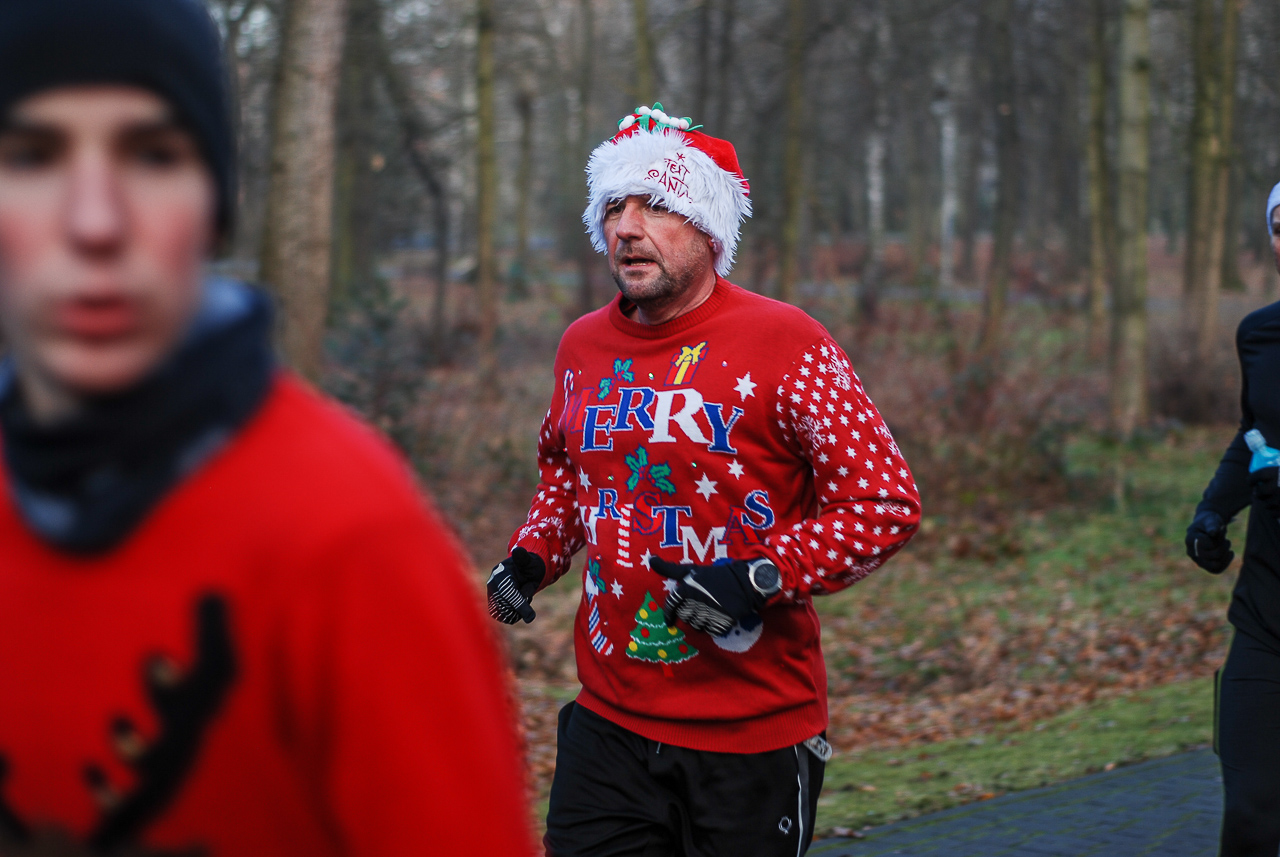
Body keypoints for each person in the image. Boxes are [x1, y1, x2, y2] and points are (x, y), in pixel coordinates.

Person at [0, 1, 534, 855]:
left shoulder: (355, 540)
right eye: (32, 155)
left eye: (151, 155)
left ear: (214, 198)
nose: (93, 221)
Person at [487, 104, 922, 857]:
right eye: (614, 207)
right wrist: (531, 557)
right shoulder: (582, 345)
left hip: (751, 732)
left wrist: (760, 574)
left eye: (655, 205)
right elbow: (567, 473)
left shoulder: (787, 340)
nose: (627, 226)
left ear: (708, 224)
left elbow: (884, 501)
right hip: (610, 722)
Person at [1186, 181, 1280, 856]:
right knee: (1248, 815)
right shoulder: (1260, 334)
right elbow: (1252, 433)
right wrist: (1212, 512)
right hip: (1267, 615)